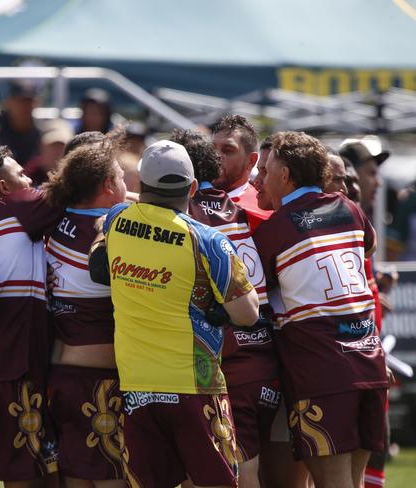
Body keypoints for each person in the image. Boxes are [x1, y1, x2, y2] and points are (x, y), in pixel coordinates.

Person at [90, 140, 259, 488]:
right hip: (195, 386)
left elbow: (118, 220)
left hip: (138, 387)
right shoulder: (207, 240)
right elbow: (247, 314)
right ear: (193, 187)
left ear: (140, 184)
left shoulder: (116, 221)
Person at [254, 131, 388, 488]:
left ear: (285, 176)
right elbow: (367, 251)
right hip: (370, 362)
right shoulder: (351, 210)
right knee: (356, 482)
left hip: (323, 372)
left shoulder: (273, 231)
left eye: (265, 171)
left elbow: (252, 296)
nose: (259, 180)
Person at [172, 129, 279, 488]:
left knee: (227, 472)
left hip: (222, 361)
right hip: (264, 357)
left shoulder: (184, 216)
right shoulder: (248, 209)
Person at [0, 146, 61, 487]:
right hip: (12, 368)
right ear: (3, 187)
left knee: (33, 472)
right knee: (24, 476)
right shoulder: (12, 205)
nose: (30, 179)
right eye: (21, 173)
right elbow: (79, 187)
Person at [42, 142, 127, 487]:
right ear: (107, 185)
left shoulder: (50, 221)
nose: (126, 186)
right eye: (121, 177)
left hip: (59, 375)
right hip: (100, 382)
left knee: (75, 479)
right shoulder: (115, 230)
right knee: (112, 480)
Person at [212, 115, 272, 231]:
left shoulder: (263, 214)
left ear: (251, 161)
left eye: (228, 150)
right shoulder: (189, 198)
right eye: (212, 149)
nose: (216, 156)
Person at [0, 81, 41, 166]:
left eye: (29, 101)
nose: (25, 106)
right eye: (21, 101)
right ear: (9, 103)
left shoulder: (42, 137)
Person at [24, 119, 74, 187]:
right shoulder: (29, 175)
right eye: (52, 145)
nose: (56, 151)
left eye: (61, 146)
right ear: (41, 146)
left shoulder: (78, 176)